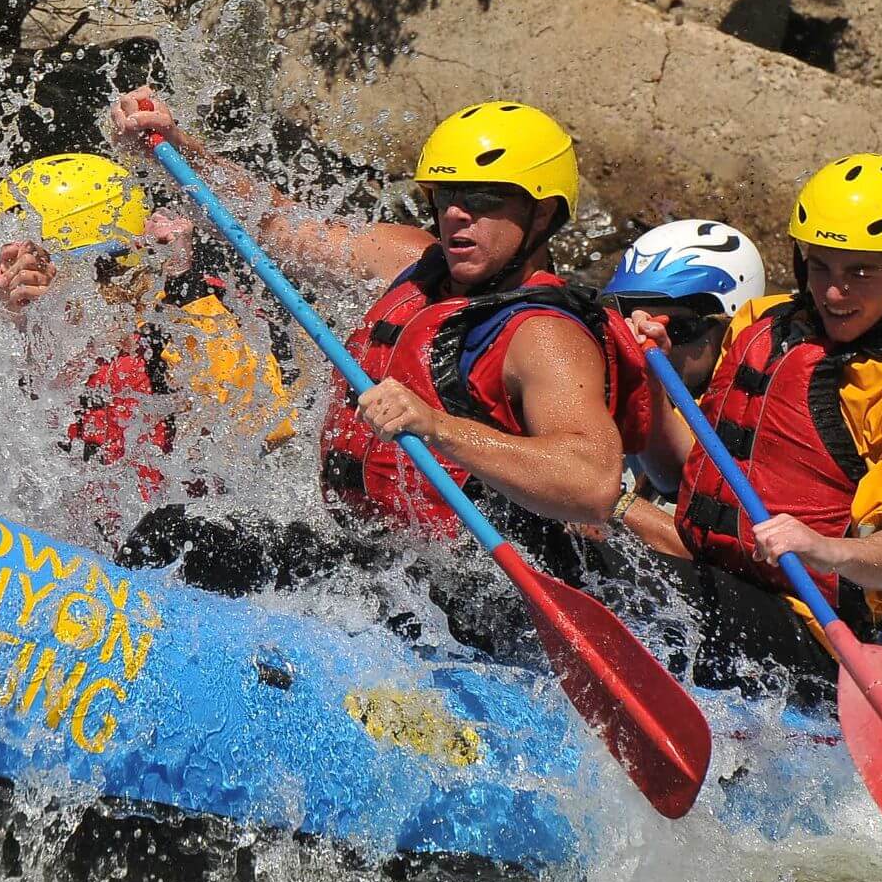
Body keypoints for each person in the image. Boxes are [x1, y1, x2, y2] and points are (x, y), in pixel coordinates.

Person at [106, 89, 652, 578]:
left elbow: (593, 484)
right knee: (180, 528)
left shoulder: (545, 336)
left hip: (469, 585)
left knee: (176, 537)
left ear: (543, 215)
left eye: (484, 198)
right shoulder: (410, 259)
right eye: (445, 195)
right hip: (371, 557)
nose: (458, 214)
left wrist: (438, 427)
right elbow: (273, 222)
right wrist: (175, 144)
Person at [622, 155, 882, 697]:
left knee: (602, 573)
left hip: (814, 635)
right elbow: (677, 476)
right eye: (821, 267)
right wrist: (654, 373)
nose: (835, 293)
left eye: (860, 271)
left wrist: (822, 548)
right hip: (714, 576)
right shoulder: (761, 324)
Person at [0, 152, 295, 544]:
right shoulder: (34, 329)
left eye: (33, 264)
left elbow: (262, 426)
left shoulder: (179, 318)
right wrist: (16, 319)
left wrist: (186, 284)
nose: (14, 275)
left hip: (163, 555)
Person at [593, 219, 767, 554]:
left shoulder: (757, 415)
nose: (652, 342)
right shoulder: (604, 383)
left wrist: (598, 501)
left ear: (732, 329)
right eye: (633, 324)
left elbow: (707, 546)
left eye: (678, 328)